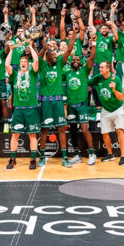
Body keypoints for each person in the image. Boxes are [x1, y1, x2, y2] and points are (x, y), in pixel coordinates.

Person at [38, 27, 77, 168]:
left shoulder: (60, 64)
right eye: (53, 55)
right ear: (47, 56)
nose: (56, 56)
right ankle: (42, 157)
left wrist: (74, 34)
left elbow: (70, 48)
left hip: (58, 101)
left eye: (56, 54)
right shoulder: (42, 65)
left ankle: (65, 157)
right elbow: (38, 55)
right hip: (46, 102)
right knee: (44, 129)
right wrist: (42, 44)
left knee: (61, 128)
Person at [5, 40, 40, 170]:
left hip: (31, 109)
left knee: (32, 135)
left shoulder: (32, 73)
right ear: (19, 64)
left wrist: (30, 46)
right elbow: (7, 64)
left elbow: (36, 61)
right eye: (21, 62)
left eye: (25, 62)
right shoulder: (15, 74)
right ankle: (12, 159)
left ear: (28, 64)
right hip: (18, 109)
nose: (23, 63)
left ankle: (32, 160)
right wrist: (11, 50)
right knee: (15, 135)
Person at [65, 34, 98, 165]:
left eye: (78, 59)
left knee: (84, 129)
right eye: (74, 59)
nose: (76, 60)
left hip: (82, 104)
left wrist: (94, 43)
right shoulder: (66, 73)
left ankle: (92, 153)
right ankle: (77, 154)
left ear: (81, 62)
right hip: (71, 105)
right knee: (72, 130)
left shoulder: (84, 71)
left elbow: (92, 57)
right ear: (71, 62)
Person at [89, 61, 124, 165]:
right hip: (105, 109)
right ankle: (110, 154)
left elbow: (120, 98)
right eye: (100, 67)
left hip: (117, 108)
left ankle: (123, 156)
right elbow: (87, 83)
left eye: (102, 68)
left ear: (108, 69)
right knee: (104, 133)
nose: (100, 69)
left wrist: (114, 89)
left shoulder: (116, 79)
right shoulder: (98, 78)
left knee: (119, 131)